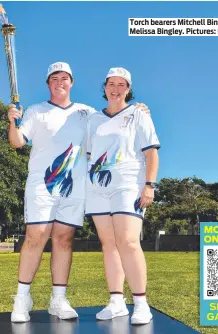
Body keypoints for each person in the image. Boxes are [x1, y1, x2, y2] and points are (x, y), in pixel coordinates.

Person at [7, 62, 150, 323]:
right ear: (48, 83)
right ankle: (22, 297)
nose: (59, 82)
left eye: (64, 78)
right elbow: (17, 142)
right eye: (54, 78)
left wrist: (139, 108)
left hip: (76, 186)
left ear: (71, 82)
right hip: (42, 184)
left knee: (63, 239)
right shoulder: (36, 111)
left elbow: (114, 119)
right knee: (36, 236)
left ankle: (58, 299)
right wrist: (12, 122)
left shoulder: (87, 114)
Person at [85, 67, 160, 325]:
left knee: (128, 241)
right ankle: (116, 301)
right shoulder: (94, 119)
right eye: (111, 84)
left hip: (129, 184)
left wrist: (149, 185)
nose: (116, 89)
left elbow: (151, 152)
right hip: (97, 186)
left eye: (121, 85)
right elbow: (88, 155)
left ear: (128, 89)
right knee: (108, 244)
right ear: (104, 87)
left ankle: (141, 303)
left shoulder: (138, 114)